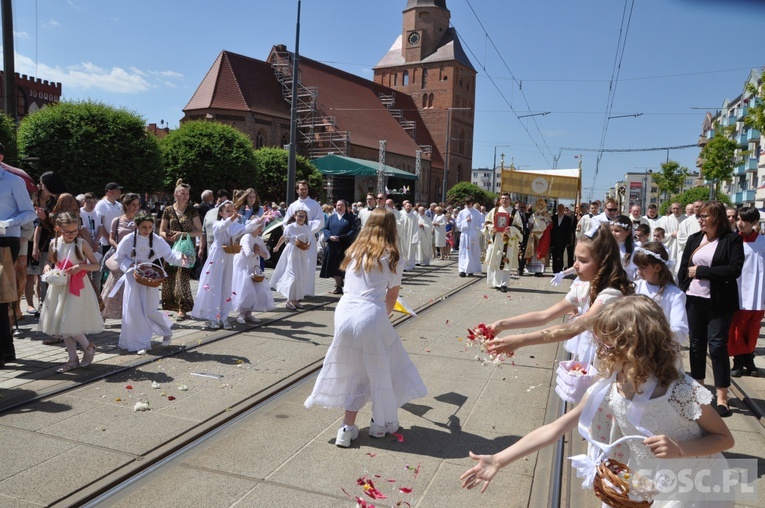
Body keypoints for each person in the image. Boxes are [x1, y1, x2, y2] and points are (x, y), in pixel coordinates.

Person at [461, 295, 735, 507]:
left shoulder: (679, 390)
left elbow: (724, 438)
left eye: (607, 345)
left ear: (634, 347)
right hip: (646, 482)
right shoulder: (609, 386)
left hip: (691, 484)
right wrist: (499, 459)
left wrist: (680, 448)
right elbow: (555, 429)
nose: (601, 352)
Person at [304, 208, 427, 447]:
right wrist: (383, 319)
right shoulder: (392, 255)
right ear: (392, 228)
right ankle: (379, 424)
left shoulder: (354, 250)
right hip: (370, 314)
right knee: (381, 367)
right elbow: (391, 297)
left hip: (344, 311)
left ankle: (348, 427)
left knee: (357, 368)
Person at [488, 222, 633, 365]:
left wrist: (521, 340)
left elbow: (573, 328)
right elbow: (544, 316)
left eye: (583, 260)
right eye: (575, 258)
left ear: (603, 262)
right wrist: (501, 325)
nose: (575, 265)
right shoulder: (584, 288)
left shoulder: (610, 295)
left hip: (613, 362)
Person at [678, 201, 744, 417]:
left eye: (704, 216)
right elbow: (683, 268)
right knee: (696, 345)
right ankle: (698, 390)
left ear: (716, 217)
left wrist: (704, 272)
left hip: (720, 301)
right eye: (699, 216)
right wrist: (683, 288)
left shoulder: (731, 239)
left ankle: (722, 396)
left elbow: (734, 269)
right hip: (694, 299)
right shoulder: (694, 239)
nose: (700, 219)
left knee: (717, 347)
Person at [113, 212, 187, 354]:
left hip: (150, 278)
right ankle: (140, 343)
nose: (147, 230)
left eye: (149, 227)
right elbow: (119, 257)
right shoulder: (129, 239)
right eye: (144, 227)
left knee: (150, 309)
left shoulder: (156, 240)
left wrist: (181, 258)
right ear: (136, 226)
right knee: (134, 310)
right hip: (134, 278)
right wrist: (131, 265)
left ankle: (166, 331)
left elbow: (169, 255)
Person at [39, 212, 103, 372]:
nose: (72, 234)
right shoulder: (54, 243)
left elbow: (96, 265)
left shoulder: (81, 244)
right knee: (63, 324)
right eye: (68, 232)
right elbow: (49, 260)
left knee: (69, 321)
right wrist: (47, 266)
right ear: (58, 229)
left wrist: (81, 266)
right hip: (60, 286)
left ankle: (88, 346)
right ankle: (73, 359)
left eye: (75, 231)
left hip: (78, 287)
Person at [192, 201, 264, 329]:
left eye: (232, 210)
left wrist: (259, 220)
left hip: (228, 256)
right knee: (214, 285)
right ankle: (213, 317)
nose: (231, 213)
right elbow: (223, 227)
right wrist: (233, 218)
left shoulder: (233, 224)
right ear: (221, 213)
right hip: (218, 255)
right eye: (228, 211)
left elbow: (246, 229)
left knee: (226, 286)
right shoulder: (217, 224)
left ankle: (224, 317)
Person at [0, 155, 36, 367]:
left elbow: (29, 213)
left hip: (4, 240)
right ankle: (6, 351)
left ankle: (4, 352)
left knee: (1, 297)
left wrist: (6, 223)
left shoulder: (13, 181)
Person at [728, 207, 765, 377]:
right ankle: (738, 361)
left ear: (755, 223)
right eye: (738, 219)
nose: (739, 223)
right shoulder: (732, 240)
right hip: (737, 291)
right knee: (736, 329)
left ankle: (749, 359)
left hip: (757, 293)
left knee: (752, 329)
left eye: (744, 220)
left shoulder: (762, 242)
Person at [159, 179, 202, 321]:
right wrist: (167, 236)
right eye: (183, 193)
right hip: (171, 248)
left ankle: (183, 308)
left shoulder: (192, 210)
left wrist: (183, 234)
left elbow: (199, 231)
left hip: (186, 248)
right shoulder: (168, 210)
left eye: (187, 194)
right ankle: (173, 305)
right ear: (176, 194)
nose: (186, 196)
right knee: (170, 277)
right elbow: (161, 231)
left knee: (182, 278)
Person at [633, 242, 689, 347]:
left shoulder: (674, 295)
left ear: (657, 268)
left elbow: (680, 331)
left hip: (662, 350)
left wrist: (654, 333)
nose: (638, 271)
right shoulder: (635, 287)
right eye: (637, 267)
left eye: (643, 267)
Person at [101, 193, 140, 320]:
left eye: (137, 205)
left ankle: (128, 314)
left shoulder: (139, 221)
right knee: (112, 285)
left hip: (135, 257)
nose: (136, 207)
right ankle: (102, 313)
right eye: (133, 205)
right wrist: (119, 248)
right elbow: (111, 239)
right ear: (126, 205)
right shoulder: (117, 221)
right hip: (119, 256)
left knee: (131, 287)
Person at [283, 181, 324, 297]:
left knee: (308, 265)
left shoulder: (314, 205)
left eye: (305, 189)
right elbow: (286, 222)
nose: (303, 191)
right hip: (294, 241)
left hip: (308, 240)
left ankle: (306, 291)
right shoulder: (293, 206)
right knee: (294, 266)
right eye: (301, 189)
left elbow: (320, 221)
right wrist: (293, 232)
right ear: (297, 190)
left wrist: (305, 229)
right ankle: (293, 292)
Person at [232, 221, 274, 324]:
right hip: (244, 266)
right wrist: (256, 252)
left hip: (254, 266)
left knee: (256, 289)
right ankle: (241, 314)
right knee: (245, 289)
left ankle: (249, 313)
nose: (260, 229)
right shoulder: (246, 237)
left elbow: (267, 255)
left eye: (261, 226)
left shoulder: (259, 239)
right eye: (258, 226)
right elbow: (248, 253)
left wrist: (259, 252)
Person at [271, 208, 313, 310]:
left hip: (302, 253)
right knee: (292, 275)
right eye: (299, 216)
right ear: (295, 216)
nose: (301, 218)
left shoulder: (306, 228)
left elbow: (309, 239)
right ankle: (288, 300)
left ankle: (295, 299)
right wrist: (276, 247)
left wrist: (308, 245)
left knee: (300, 275)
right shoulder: (291, 227)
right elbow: (284, 237)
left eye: (303, 216)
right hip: (292, 252)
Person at [483, 193, 522, 292]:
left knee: (505, 261)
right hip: (496, 239)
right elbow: (487, 222)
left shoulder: (514, 212)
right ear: (500, 200)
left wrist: (511, 229)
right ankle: (496, 283)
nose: (504, 200)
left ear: (510, 200)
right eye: (503, 198)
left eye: (507, 199)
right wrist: (492, 228)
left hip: (508, 240)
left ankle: (504, 284)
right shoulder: (495, 210)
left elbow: (519, 227)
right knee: (495, 260)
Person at [320, 199, 359, 294]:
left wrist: (340, 238)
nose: (339, 207)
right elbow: (325, 229)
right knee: (335, 267)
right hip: (333, 246)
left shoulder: (351, 218)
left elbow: (354, 230)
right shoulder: (331, 217)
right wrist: (329, 236)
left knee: (346, 267)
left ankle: (348, 287)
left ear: (345, 207)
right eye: (338, 205)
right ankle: (338, 287)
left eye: (341, 205)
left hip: (345, 246)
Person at [523, 199, 552, 276]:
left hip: (543, 236)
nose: (540, 207)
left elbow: (550, 225)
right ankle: (532, 269)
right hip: (534, 236)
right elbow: (529, 223)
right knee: (534, 252)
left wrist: (544, 220)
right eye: (539, 205)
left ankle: (540, 270)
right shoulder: (534, 214)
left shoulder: (547, 215)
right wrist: (530, 225)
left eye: (542, 205)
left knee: (541, 252)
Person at [456, 199, 483, 277]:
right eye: (467, 203)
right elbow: (458, 225)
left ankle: (471, 269)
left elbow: (481, 222)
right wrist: (465, 221)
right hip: (465, 233)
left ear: (472, 203)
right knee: (464, 252)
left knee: (472, 252)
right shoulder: (462, 212)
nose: (468, 205)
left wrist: (484, 227)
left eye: (469, 203)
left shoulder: (476, 212)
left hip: (472, 234)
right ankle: (462, 270)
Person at [675, 200, 703, 276]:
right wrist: (696, 246)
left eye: (700, 206)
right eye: (696, 207)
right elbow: (681, 239)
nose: (698, 208)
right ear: (693, 208)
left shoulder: (708, 221)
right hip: (688, 254)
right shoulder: (686, 222)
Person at [610, 215, 637, 281]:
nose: (613, 233)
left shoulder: (636, 250)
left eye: (617, 231)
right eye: (611, 230)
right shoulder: (606, 248)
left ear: (628, 232)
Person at [550, 203, 573, 273]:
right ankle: (554, 270)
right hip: (554, 240)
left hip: (563, 241)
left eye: (561, 208)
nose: (560, 210)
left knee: (560, 256)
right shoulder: (553, 218)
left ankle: (559, 270)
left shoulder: (568, 219)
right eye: (559, 208)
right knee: (554, 256)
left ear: (563, 210)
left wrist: (569, 242)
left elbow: (569, 231)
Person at [397, 201, 419, 271]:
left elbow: (416, 228)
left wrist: (415, 237)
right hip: (402, 236)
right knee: (402, 251)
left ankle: (409, 265)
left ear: (412, 207)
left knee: (410, 251)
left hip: (410, 236)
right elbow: (397, 223)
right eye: (407, 206)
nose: (408, 207)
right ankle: (402, 266)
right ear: (404, 206)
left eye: (410, 206)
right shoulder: (400, 214)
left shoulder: (414, 216)